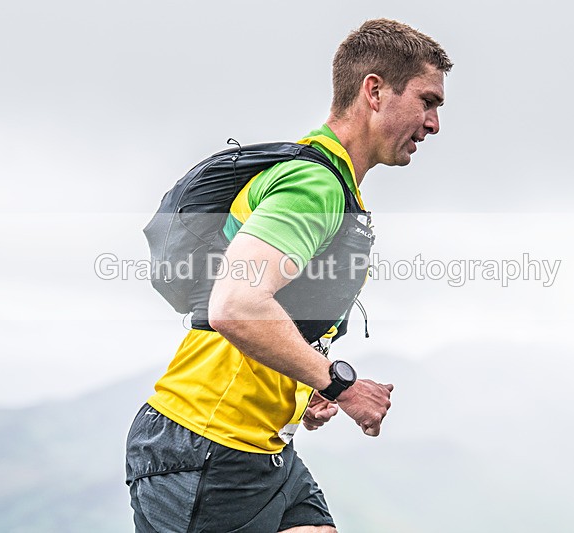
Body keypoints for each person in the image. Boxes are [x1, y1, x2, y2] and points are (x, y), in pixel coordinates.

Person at [126, 18, 452, 533]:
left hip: (260, 450)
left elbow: (278, 310)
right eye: (427, 101)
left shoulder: (334, 183)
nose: (434, 123)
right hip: (206, 447)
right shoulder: (313, 184)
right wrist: (342, 385)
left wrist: (305, 386)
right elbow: (235, 304)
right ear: (374, 91)